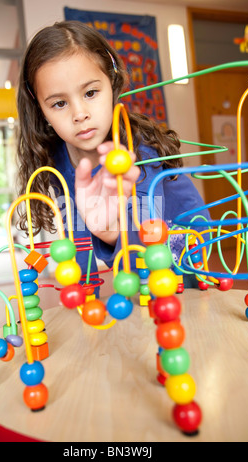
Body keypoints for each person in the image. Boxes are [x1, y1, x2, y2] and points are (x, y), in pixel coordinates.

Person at [16, 20, 210, 288]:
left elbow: (148, 241)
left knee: (165, 295)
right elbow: (78, 234)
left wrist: (110, 234)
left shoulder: (138, 150)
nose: (79, 114)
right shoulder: (57, 162)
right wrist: (84, 294)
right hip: (130, 251)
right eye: (59, 103)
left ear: (113, 85)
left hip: (184, 242)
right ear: (40, 109)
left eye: (91, 92)